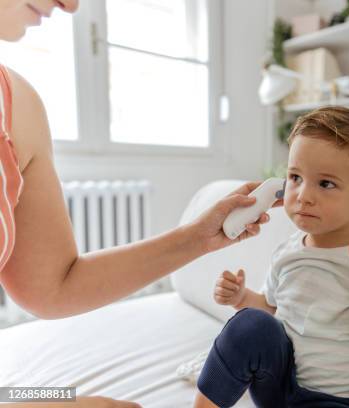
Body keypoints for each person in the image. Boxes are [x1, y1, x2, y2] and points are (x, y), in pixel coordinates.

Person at [0, 1, 278, 407]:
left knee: (80, 398)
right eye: (298, 176)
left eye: (326, 181)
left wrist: (198, 238)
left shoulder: (20, 108)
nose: (72, 5)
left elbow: (54, 284)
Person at [194, 107, 349, 408]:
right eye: (295, 177)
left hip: (340, 401)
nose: (303, 195)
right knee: (250, 324)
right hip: (279, 387)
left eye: (325, 183)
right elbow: (272, 311)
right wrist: (241, 297)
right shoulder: (288, 252)